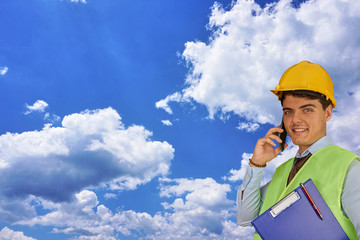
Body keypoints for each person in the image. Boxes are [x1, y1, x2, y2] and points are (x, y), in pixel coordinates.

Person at [236, 61, 360, 240]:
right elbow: (245, 219)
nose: (295, 120)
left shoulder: (349, 168)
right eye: (288, 111)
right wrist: (257, 164)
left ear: (327, 113)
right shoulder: (282, 171)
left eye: (307, 110)